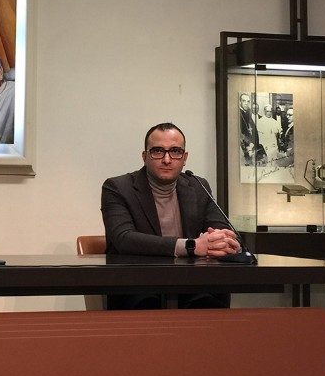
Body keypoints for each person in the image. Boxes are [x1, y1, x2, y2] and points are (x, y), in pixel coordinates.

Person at [101, 122, 242, 310]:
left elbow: (220, 229)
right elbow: (123, 238)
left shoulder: (198, 186)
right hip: (137, 284)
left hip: (191, 283)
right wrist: (192, 246)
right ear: (144, 156)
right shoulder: (118, 187)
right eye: (158, 151)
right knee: (147, 305)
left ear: (184, 158)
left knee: (209, 303)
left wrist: (226, 242)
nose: (167, 159)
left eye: (175, 151)